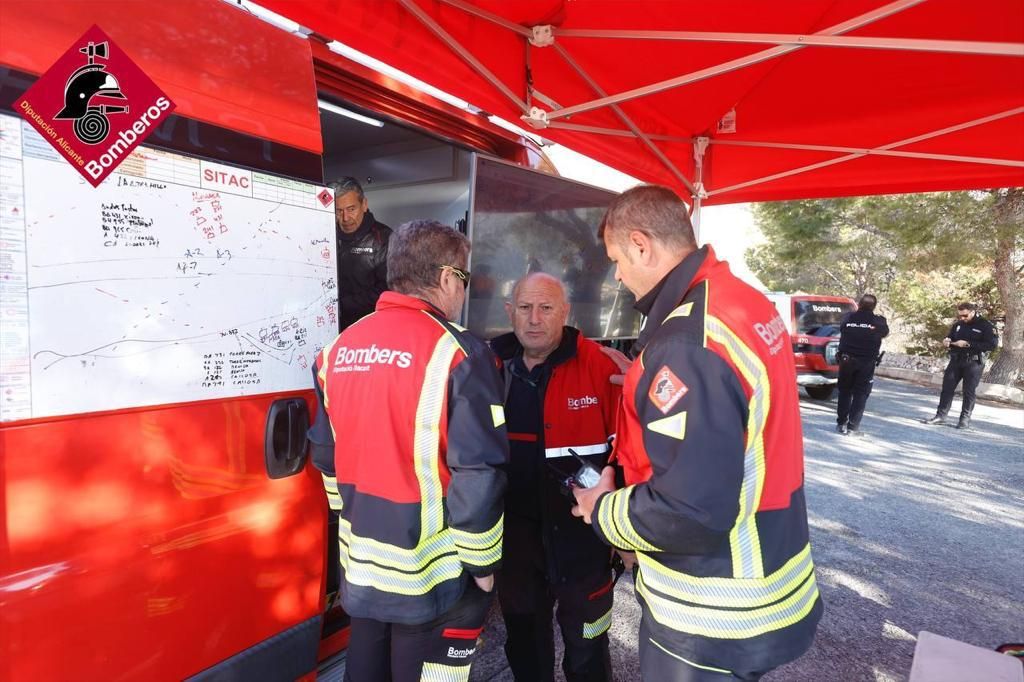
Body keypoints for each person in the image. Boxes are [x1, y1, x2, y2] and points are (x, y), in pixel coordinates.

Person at [572, 185, 822, 681]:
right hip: (769, 578)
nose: (618, 275)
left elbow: (688, 512)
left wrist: (601, 509)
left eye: (617, 259)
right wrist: (646, 382)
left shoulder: (687, 342)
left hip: (712, 609)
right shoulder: (741, 301)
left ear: (642, 245)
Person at [310, 219, 508, 681]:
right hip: (433, 578)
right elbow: (478, 473)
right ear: (444, 278)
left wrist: (356, 517)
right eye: (464, 280)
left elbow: (324, 454)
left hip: (363, 566)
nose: (464, 293)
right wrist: (484, 566)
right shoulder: (461, 354)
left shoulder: (337, 349)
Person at [490, 272, 622, 682]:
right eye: (525, 308)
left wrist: (623, 533)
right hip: (516, 539)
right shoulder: (489, 366)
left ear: (565, 313)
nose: (534, 318)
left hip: (581, 539)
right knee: (526, 643)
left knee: (587, 648)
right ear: (509, 312)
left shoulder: (601, 368)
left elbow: (629, 453)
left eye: (546, 308)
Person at [922, 302, 998, 430]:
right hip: (956, 360)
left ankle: (964, 420)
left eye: (965, 315)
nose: (962, 318)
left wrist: (968, 344)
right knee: (947, 388)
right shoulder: (958, 325)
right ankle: (940, 416)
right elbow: (950, 337)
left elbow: (991, 345)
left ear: (972, 312)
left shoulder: (986, 326)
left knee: (968, 391)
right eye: (960, 316)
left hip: (974, 363)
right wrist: (947, 341)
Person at [329, 176, 392, 331]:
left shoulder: (384, 237)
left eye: (351, 209)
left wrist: (342, 305)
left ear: (364, 205)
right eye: (339, 211)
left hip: (370, 327)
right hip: (331, 325)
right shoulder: (326, 236)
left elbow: (388, 289)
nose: (345, 218)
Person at [835, 294, 890, 436]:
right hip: (866, 362)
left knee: (845, 392)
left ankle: (841, 423)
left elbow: (842, 329)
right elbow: (885, 334)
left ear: (859, 304)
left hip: (846, 360)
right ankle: (852, 428)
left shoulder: (848, 317)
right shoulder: (879, 321)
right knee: (860, 394)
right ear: (874, 306)